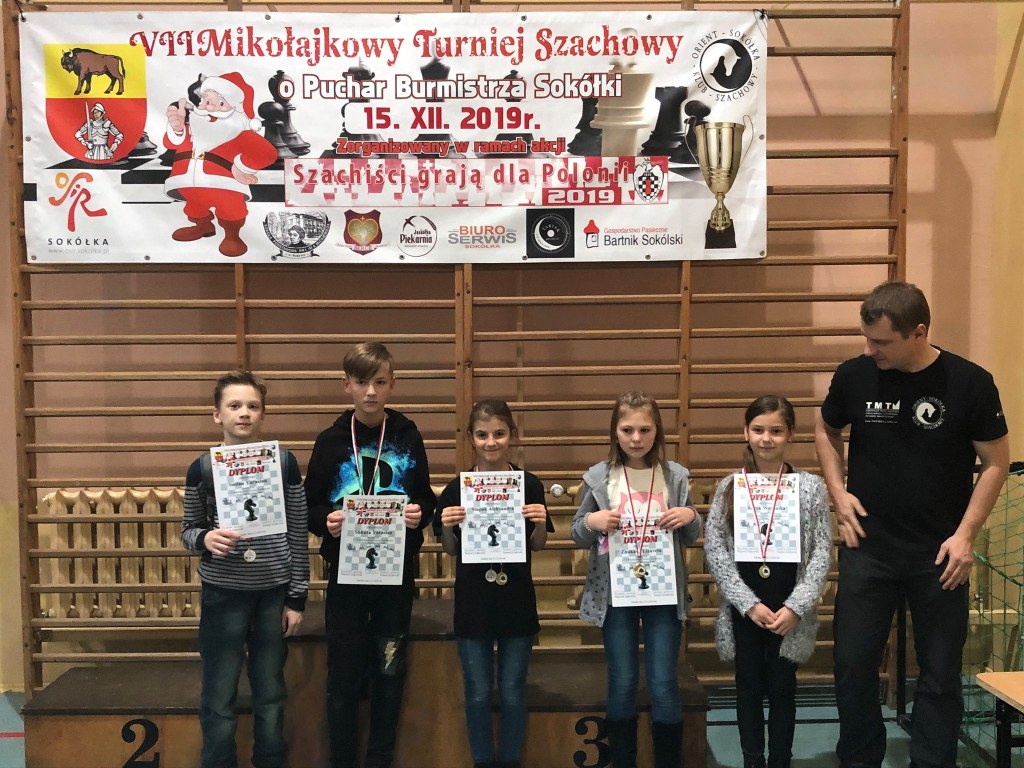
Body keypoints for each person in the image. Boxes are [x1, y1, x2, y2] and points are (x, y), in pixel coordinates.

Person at [814, 281, 1009, 768]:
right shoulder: (854, 375)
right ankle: (860, 759)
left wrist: (966, 535)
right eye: (866, 338)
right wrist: (838, 494)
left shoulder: (970, 383)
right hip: (869, 548)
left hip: (940, 554)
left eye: (881, 341)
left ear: (918, 333)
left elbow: (996, 463)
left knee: (940, 674)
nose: (869, 349)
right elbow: (826, 428)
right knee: (852, 666)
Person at [305, 342, 437, 768]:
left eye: (380, 382)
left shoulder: (408, 435)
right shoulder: (330, 441)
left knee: (389, 670)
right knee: (343, 675)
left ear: (392, 384)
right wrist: (325, 520)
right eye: (362, 382)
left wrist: (419, 514)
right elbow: (308, 506)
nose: (371, 392)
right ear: (346, 385)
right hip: (346, 576)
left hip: (395, 576)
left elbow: (425, 498)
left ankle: (381, 759)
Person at [180, 371, 309, 768]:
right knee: (219, 695)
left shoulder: (283, 463)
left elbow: (298, 530)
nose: (244, 413)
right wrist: (205, 539)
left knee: (270, 692)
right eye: (234, 406)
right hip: (223, 593)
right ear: (217, 414)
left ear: (263, 414)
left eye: (253, 406)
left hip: (273, 592)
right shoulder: (202, 468)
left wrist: (297, 597)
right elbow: (188, 530)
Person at [571, 391, 703, 768]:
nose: (635, 438)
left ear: (657, 431)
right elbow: (577, 532)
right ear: (614, 431)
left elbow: (692, 534)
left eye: (644, 429)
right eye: (627, 429)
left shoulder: (675, 476)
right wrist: (592, 522)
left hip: (663, 593)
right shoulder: (599, 477)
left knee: (663, 682)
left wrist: (691, 516)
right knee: (623, 681)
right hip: (615, 595)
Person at [704, 395, 832, 768]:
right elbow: (715, 549)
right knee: (747, 688)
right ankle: (752, 760)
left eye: (776, 431)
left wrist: (796, 606)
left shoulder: (810, 487)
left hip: (788, 609)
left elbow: (822, 551)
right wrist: (747, 603)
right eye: (758, 430)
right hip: (746, 607)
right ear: (745, 432)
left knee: (782, 689)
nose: (766, 438)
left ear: (790, 434)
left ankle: (780, 760)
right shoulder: (730, 486)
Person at [434, 400, 554, 768]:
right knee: (478, 692)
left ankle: (510, 761)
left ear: (512, 436)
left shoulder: (528, 484)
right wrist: (447, 525)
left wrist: (539, 521)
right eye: (483, 435)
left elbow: (538, 545)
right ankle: (483, 762)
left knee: (514, 690)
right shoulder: (457, 488)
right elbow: (451, 550)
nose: (491, 442)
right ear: (471, 438)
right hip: (474, 602)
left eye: (499, 434)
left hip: (516, 598)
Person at [164, 72, 277, 257]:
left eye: (221, 103)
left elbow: (267, 153)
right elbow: (170, 143)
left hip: (225, 186)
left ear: (236, 110)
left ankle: (232, 236)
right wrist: (176, 129)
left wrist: (240, 167)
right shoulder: (193, 127)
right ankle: (203, 226)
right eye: (207, 100)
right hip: (188, 183)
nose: (210, 106)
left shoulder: (238, 133)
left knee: (230, 211)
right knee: (195, 207)